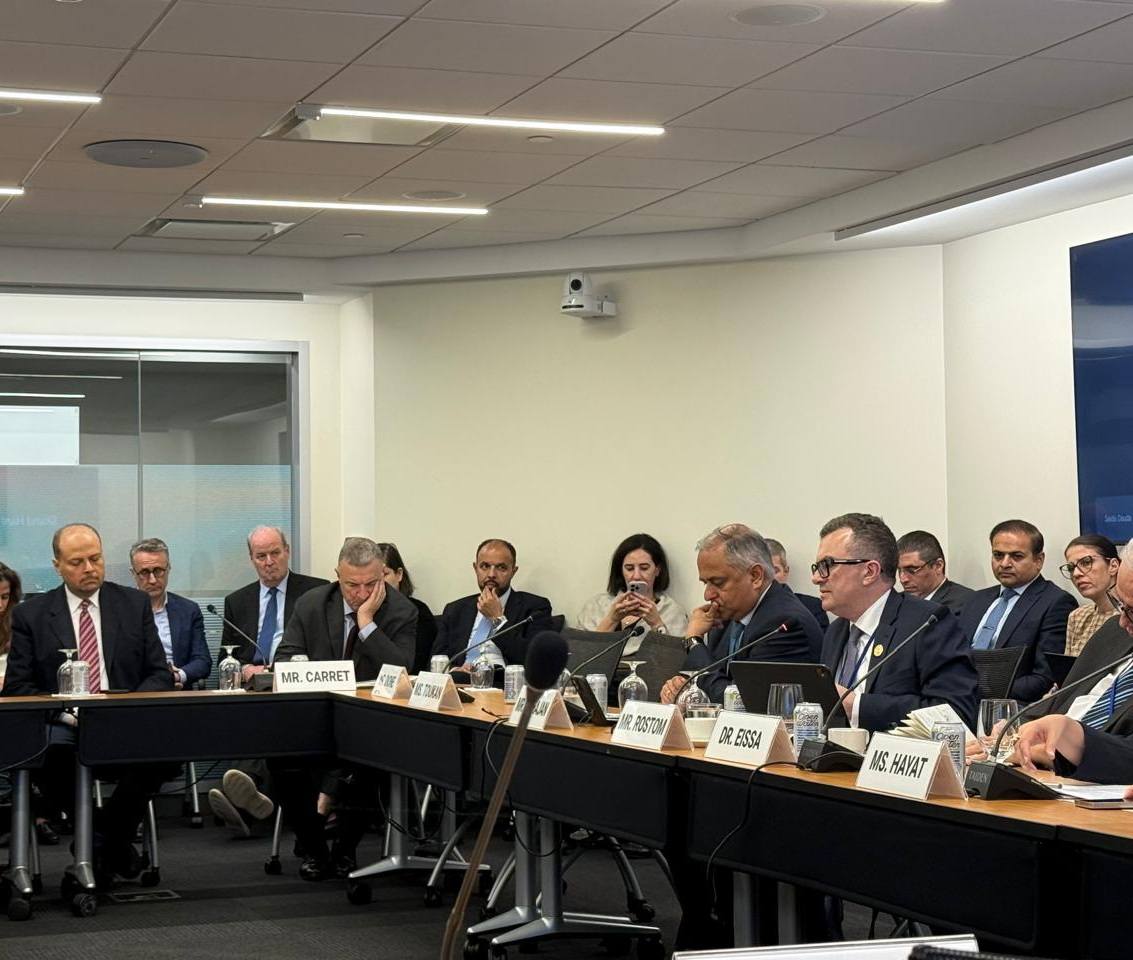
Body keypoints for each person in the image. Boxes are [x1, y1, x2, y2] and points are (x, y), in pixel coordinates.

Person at [2, 523, 174, 883]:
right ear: (57, 566)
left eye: (95, 559)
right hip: (64, 725)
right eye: (77, 562)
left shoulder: (133, 604)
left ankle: (99, 843)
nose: (89, 568)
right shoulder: (33, 615)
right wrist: (65, 712)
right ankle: (113, 847)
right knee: (47, 755)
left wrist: (126, 708)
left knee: (164, 752)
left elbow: (159, 674)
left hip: (122, 721)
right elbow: (19, 687)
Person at [272, 536, 417, 881]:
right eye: (352, 585)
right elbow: (284, 658)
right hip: (317, 718)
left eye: (371, 584)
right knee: (281, 759)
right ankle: (315, 849)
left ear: (383, 575)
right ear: (337, 576)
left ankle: (344, 850)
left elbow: (401, 670)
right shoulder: (312, 603)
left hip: (370, 721)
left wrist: (366, 623)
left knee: (365, 759)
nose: (361, 593)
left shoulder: (401, 611)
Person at [208, 526, 328, 836]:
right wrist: (245, 668)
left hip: (297, 689)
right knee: (257, 712)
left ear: (288, 551)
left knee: (273, 715)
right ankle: (250, 797)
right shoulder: (237, 601)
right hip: (253, 690)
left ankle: (245, 793)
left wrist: (280, 670)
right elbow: (225, 657)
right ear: (251, 559)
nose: (269, 562)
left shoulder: (317, 593)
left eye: (275, 553)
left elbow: (325, 648)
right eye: (261, 556)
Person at [813, 512, 978, 731]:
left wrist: (858, 706)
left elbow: (956, 713)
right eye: (816, 567)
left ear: (869, 572)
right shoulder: (836, 631)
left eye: (827, 565)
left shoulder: (927, 623)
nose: (816, 578)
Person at [660, 524, 823, 705]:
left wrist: (694, 642)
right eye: (705, 583)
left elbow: (741, 703)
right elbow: (711, 682)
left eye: (718, 582)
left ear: (755, 576)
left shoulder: (784, 624)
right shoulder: (728, 616)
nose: (708, 595)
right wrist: (679, 688)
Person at [957, 519, 1078, 703]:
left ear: (1038, 560)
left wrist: (972, 690)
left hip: (1006, 707)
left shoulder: (1055, 603)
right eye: (998, 555)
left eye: (1016, 556)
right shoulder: (975, 600)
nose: (1005, 563)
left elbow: (1044, 679)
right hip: (956, 701)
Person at [433, 539, 553, 667]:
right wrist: (454, 671)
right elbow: (436, 660)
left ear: (513, 571)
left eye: (501, 568)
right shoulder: (455, 610)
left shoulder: (536, 608)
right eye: (485, 566)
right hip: (458, 677)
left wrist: (497, 619)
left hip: (501, 677)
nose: (491, 574)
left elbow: (535, 659)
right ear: (475, 568)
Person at [128, 538, 211, 689]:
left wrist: (177, 676)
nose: (152, 580)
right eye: (144, 572)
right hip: (136, 692)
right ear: (133, 573)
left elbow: (202, 661)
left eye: (158, 571)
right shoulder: (122, 611)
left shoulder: (188, 610)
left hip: (177, 693)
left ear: (168, 569)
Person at [576, 533, 688, 639]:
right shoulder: (596, 606)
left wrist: (657, 624)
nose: (636, 576)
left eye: (644, 568)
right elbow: (581, 650)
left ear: (657, 570)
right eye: (629, 568)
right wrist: (611, 619)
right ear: (621, 570)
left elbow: (674, 651)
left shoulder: (672, 611)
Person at [377, 541, 436, 674]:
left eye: (385, 574)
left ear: (399, 574)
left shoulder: (418, 611)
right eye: (374, 576)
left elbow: (416, 664)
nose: (379, 582)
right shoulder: (360, 610)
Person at [1060, 533, 1120, 656]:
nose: (1076, 574)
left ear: (1113, 566)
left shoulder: (1128, 616)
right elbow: (1068, 666)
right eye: (1071, 568)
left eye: (1086, 562)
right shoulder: (1077, 616)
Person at [894, 530, 973, 617]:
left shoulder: (966, 604)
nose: (903, 579)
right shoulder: (896, 602)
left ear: (938, 566)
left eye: (912, 569)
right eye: (899, 570)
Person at [765, 538, 829, 630]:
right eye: (764, 572)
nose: (769, 578)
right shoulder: (747, 610)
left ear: (786, 571)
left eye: (775, 571)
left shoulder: (812, 607)